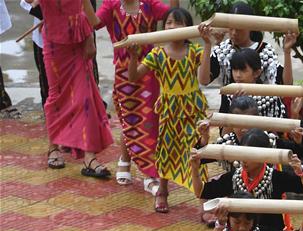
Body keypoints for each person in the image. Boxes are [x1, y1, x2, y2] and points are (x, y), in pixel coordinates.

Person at [92, 0, 179, 195]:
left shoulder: (150, 4)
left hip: (149, 72)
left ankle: (150, 173)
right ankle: (125, 158)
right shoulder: (111, 5)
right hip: (124, 73)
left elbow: (173, 15)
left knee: (148, 122)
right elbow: (93, 23)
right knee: (129, 120)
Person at [128, 7, 208, 212]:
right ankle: (162, 191)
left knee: (197, 152)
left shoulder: (195, 52)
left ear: (189, 28)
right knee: (166, 151)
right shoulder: (158, 54)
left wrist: (208, 44)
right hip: (168, 111)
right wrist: (133, 56)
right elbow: (134, 76)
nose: (173, 27)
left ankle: (203, 199)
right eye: (169, 23)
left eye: (179, 23)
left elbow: (205, 80)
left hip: (192, 109)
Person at [32, 0, 113, 174]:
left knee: (86, 96)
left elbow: (90, 13)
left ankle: (89, 157)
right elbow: (30, 3)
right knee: (56, 95)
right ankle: (53, 147)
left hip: (79, 39)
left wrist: (90, 37)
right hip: (54, 44)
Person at [197, 128, 303, 230]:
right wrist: (193, 166)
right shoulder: (233, 178)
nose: (244, 160)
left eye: (249, 156)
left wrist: (300, 171)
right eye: (242, 154)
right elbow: (201, 191)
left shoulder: (275, 177)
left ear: (264, 156)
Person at [199, 0, 297, 111]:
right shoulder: (222, 50)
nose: (234, 33)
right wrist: (207, 44)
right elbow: (204, 80)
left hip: (263, 114)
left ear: (250, 26)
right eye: (231, 28)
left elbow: (286, 84)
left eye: (239, 29)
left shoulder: (266, 50)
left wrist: (287, 51)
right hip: (231, 116)